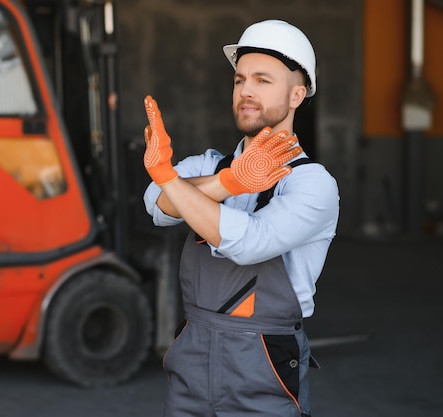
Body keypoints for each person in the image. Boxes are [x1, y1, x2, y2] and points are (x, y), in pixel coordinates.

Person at [142, 20, 340, 417]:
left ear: (297, 94)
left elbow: (249, 244)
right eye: (239, 79)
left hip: (262, 360)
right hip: (192, 356)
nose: (246, 91)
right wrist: (227, 182)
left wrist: (171, 179)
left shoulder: (313, 185)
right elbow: (157, 207)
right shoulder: (211, 164)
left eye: (263, 80)